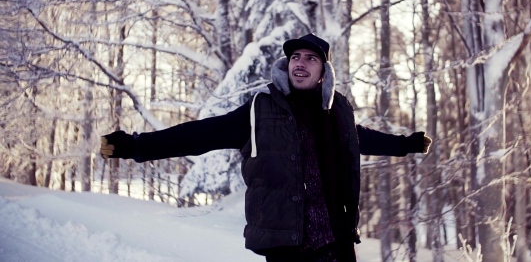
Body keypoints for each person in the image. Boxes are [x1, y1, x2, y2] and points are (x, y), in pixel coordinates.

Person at [100, 33, 432, 262]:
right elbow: (202, 134)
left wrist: (406, 145)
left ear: (323, 72)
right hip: (287, 241)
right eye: (295, 57)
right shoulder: (261, 109)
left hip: (337, 238)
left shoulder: (337, 110)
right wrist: (136, 145)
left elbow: (361, 137)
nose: (300, 63)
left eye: (310, 58)